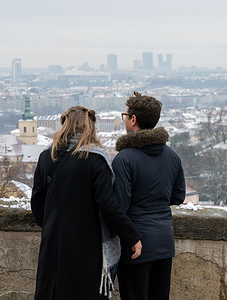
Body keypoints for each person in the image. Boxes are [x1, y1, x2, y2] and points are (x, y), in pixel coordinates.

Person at [31, 106, 142, 300]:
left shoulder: (46, 157)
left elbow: (37, 202)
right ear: (90, 127)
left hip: (52, 242)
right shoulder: (94, 159)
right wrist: (132, 235)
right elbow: (108, 205)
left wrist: (52, 225)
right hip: (86, 243)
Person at [112, 92, 185, 300]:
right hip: (164, 240)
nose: (125, 119)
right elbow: (178, 196)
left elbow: (120, 205)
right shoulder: (172, 155)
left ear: (133, 120)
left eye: (125, 115)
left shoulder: (124, 158)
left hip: (136, 243)